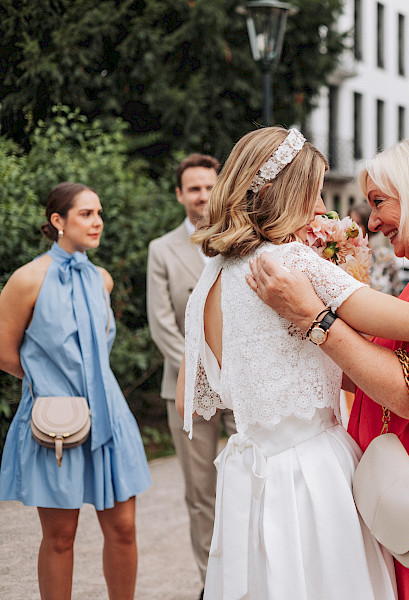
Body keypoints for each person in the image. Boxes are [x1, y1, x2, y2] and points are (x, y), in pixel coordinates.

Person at [176, 128, 409, 599]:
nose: (322, 206)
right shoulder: (290, 262)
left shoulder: (211, 277)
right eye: (316, 190)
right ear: (293, 191)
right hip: (311, 475)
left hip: (249, 476)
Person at [0, 182, 152, 600]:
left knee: (123, 528)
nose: (97, 221)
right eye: (86, 213)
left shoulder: (102, 279)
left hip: (110, 414)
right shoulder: (27, 279)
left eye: (99, 212)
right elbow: (5, 353)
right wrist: (47, 385)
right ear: (57, 221)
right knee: (61, 536)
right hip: (56, 422)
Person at [147, 153, 235, 595]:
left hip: (243, 380)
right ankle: (210, 583)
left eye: (208, 186)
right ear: (180, 194)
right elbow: (162, 323)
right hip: (185, 384)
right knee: (201, 493)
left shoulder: (238, 240)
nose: (202, 196)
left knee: (258, 474)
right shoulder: (160, 250)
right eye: (193, 188)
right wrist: (200, 370)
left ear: (219, 188)